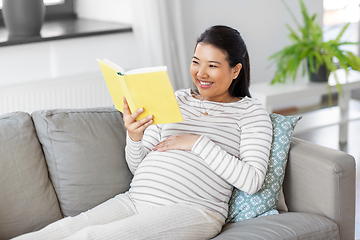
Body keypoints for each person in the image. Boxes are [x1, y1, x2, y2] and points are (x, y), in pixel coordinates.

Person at [13, 25, 272, 240]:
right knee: (58, 231)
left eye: (212, 66)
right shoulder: (176, 99)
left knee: (92, 236)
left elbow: (251, 180)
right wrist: (134, 136)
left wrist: (196, 143)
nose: (200, 73)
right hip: (135, 199)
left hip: (193, 209)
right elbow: (138, 166)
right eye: (196, 62)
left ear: (235, 70)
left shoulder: (250, 113)